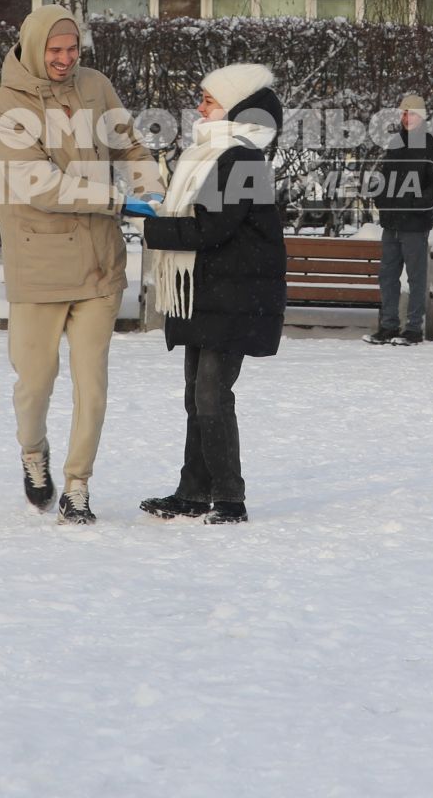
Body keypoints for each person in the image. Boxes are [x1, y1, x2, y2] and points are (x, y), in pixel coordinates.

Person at [0, 4, 160, 524]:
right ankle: (33, 452)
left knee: (93, 386)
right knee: (34, 381)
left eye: (73, 48)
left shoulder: (95, 86)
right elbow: (36, 184)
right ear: (34, 46)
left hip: (99, 266)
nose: (65, 59)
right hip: (39, 265)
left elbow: (129, 145)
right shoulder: (6, 105)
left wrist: (152, 189)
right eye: (55, 50)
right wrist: (115, 200)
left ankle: (78, 485)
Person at [130, 63, 286, 526]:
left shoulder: (241, 158)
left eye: (209, 100)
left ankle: (228, 496)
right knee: (197, 397)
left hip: (235, 298)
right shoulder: (212, 154)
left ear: (239, 110)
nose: (199, 107)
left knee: (212, 396)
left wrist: (149, 224)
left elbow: (211, 227)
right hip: (208, 294)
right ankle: (193, 492)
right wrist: (159, 212)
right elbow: (206, 218)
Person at [365, 92, 433, 346]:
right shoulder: (395, 144)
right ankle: (389, 326)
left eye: (411, 113)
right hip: (391, 223)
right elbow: (384, 178)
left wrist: (412, 204)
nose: (406, 117)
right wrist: (380, 197)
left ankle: (414, 328)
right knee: (388, 276)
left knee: (416, 278)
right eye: (403, 112)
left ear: (422, 117)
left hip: (414, 224)